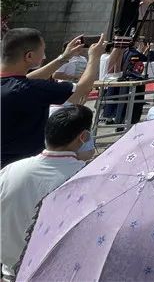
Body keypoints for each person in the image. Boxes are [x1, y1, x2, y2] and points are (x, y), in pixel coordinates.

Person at [0, 105, 94, 277]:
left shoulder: (10, 170)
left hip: (12, 271)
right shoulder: (85, 177)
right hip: (59, 272)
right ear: (83, 137)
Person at [1, 30, 105, 168]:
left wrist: (64, 58)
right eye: (43, 51)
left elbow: (26, 80)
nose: (44, 56)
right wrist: (94, 57)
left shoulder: (14, 86)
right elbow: (82, 89)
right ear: (29, 56)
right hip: (19, 165)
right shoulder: (30, 89)